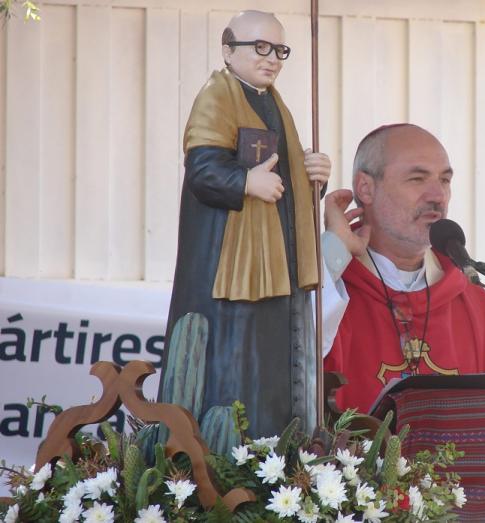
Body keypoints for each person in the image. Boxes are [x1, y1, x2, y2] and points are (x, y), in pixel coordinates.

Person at [160, 10, 330, 438]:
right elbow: (202, 171)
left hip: (278, 267)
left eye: (279, 50)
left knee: (274, 366)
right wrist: (244, 181)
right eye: (259, 47)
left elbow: (281, 187)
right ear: (227, 50)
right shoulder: (218, 95)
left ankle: (281, 458)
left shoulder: (275, 104)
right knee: (236, 368)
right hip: (229, 271)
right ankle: (234, 456)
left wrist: (310, 177)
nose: (270, 58)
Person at [321, 124, 485, 413]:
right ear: (366, 188)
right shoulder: (326, 291)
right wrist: (332, 251)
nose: (438, 195)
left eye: (445, 180)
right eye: (417, 178)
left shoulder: (480, 309)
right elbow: (291, 374)